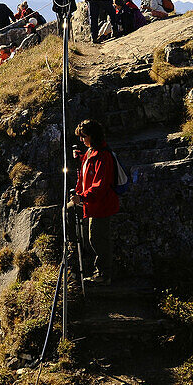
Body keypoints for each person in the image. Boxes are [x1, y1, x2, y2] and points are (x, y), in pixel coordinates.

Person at [71, 119, 120, 285]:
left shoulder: (102, 156)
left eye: (84, 136)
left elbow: (99, 186)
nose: (81, 140)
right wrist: (81, 157)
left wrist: (82, 197)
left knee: (97, 239)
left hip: (101, 206)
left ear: (92, 136)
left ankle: (103, 275)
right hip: (95, 205)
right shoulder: (92, 152)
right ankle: (101, 272)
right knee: (95, 238)